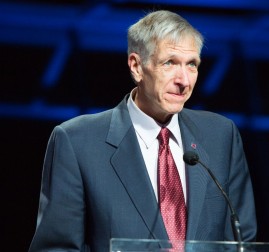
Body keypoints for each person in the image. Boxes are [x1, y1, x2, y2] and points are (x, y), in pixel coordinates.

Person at [29, 10, 256, 251]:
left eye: (192, 65)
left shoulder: (221, 136)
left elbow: (243, 241)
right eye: (169, 63)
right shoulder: (77, 142)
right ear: (137, 66)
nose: (184, 81)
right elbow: (55, 248)